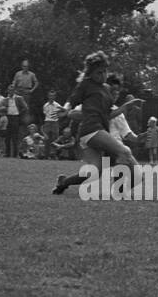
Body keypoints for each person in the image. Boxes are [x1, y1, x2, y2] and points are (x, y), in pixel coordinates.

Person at [52, 52, 141, 195]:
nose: (103, 75)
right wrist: (66, 108)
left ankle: (63, 182)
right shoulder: (86, 84)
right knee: (124, 152)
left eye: (105, 71)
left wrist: (126, 107)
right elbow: (72, 99)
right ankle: (118, 191)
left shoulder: (106, 89)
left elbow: (108, 114)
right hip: (91, 130)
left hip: (98, 132)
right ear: (90, 73)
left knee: (97, 171)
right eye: (99, 72)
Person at [41, 90, 64, 159]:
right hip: (47, 122)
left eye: (53, 95)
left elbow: (63, 110)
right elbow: (45, 113)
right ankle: (46, 155)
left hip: (55, 122)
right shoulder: (45, 105)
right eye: (50, 95)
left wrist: (59, 114)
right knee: (46, 139)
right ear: (48, 96)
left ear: (55, 97)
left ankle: (54, 154)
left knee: (55, 139)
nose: (51, 97)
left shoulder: (57, 105)